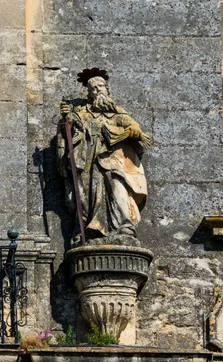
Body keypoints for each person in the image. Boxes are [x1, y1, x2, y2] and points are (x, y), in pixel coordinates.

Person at [57, 68, 152, 246]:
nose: (98, 90)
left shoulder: (116, 113)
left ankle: (123, 226)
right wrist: (66, 121)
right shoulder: (81, 114)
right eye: (94, 88)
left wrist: (130, 132)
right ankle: (87, 229)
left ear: (107, 90)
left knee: (117, 189)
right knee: (86, 195)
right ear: (89, 93)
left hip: (113, 161)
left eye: (101, 87)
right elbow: (68, 135)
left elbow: (135, 129)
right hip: (88, 161)